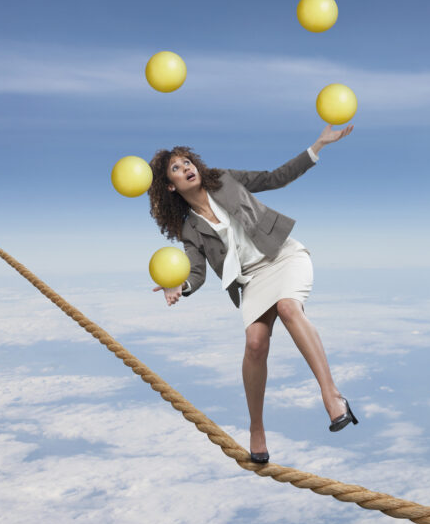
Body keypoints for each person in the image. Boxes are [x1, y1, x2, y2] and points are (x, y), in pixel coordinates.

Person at [147, 124, 358, 464]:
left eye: (187, 161)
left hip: (282, 255)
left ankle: (331, 395)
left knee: (290, 309)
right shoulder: (190, 229)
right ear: (170, 186)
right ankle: (257, 428)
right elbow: (197, 272)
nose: (187, 167)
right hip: (253, 279)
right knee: (255, 344)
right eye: (177, 167)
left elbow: (274, 178)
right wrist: (179, 286)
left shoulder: (224, 179)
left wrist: (317, 146)